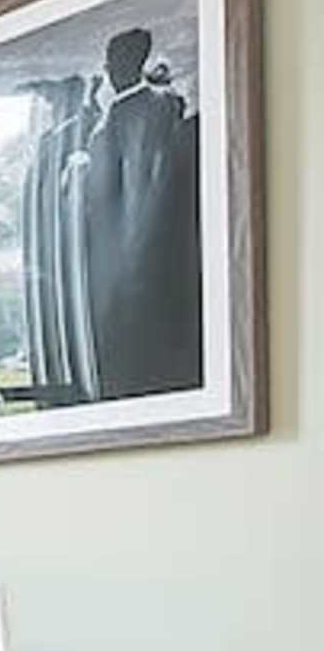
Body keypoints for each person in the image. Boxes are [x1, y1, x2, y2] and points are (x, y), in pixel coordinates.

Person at [72, 24, 204, 400]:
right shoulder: (172, 107)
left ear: (123, 63)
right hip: (172, 254)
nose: (110, 69)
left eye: (113, 61)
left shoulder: (111, 123)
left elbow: (96, 202)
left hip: (123, 265)